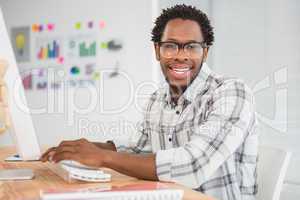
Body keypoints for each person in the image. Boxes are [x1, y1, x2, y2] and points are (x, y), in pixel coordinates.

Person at [41, 4, 258, 199]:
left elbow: (193, 166)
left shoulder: (231, 92)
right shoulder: (157, 99)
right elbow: (139, 150)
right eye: (170, 46)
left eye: (192, 46)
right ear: (157, 50)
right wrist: (81, 149)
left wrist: (102, 157)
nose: (180, 56)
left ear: (206, 52)